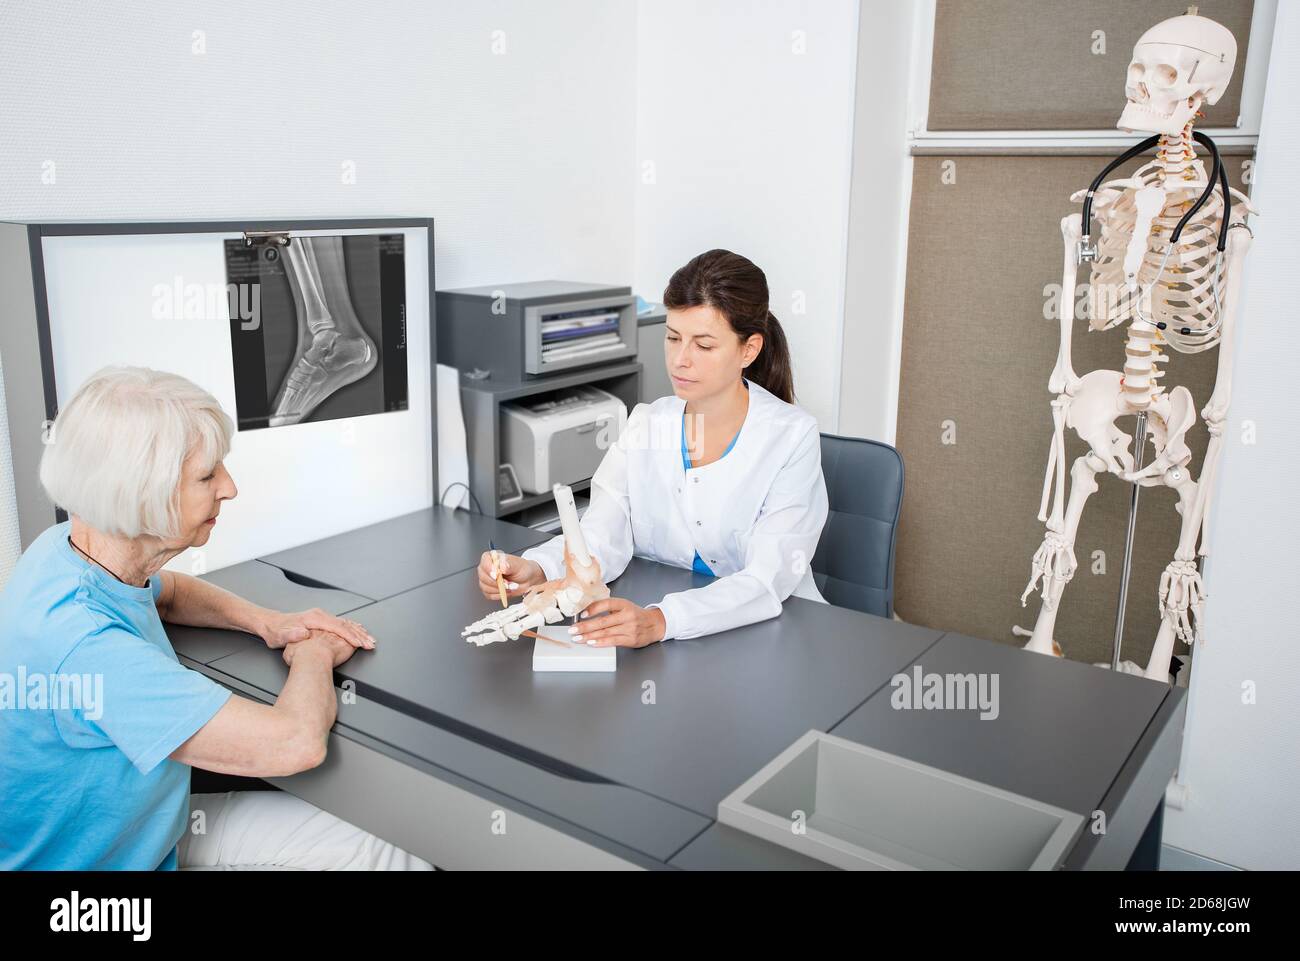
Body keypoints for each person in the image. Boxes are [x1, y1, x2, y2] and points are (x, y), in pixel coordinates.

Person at [0, 367, 431, 870]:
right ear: (139, 494)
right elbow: (295, 744)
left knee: (378, 843)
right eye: (207, 475)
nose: (229, 488)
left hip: (150, 830)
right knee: (389, 854)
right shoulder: (90, 649)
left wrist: (267, 621)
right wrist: (313, 652)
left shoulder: (66, 552)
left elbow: (169, 592)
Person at [478, 249, 828, 646]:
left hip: (769, 636)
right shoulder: (647, 422)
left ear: (748, 350)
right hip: (669, 640)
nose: (680, 360)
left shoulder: (792, 437)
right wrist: (538, 566)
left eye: (704, 345)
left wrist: (662, 620)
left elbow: (767, 578)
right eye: (673, 337)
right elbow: (603, 530)